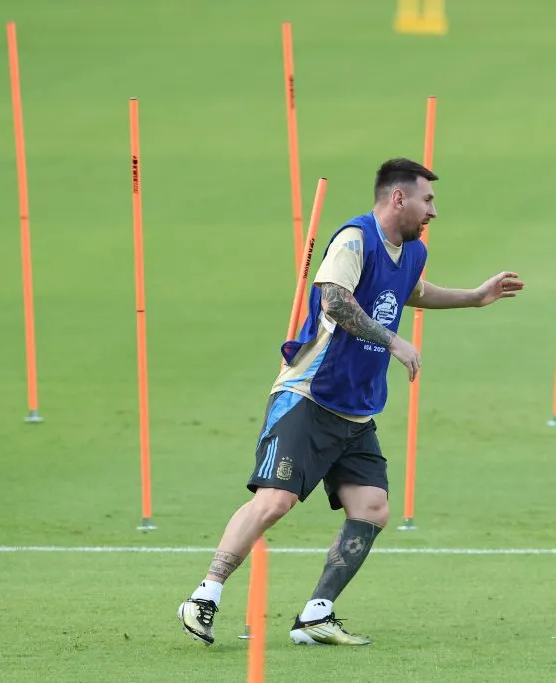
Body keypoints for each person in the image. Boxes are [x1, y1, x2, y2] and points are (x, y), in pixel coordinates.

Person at [177, 157, 524, 646]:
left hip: (357, 408)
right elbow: (334, 301)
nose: (434, 212)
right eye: (428, 200)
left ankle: (316, 616)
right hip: (310, 394)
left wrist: (473, 297)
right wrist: (393, 341)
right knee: (275, 501)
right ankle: (203, 597)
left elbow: (411, 290)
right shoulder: (354, 239)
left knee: (372, 507)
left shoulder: (413, 251)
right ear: (398, 197)